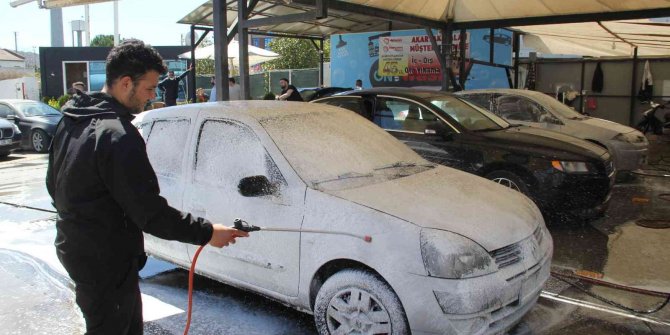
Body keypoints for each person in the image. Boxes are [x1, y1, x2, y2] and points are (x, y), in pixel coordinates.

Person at [46, 39, 249, 335]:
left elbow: (53, 186)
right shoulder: (118, 136)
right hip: (105, 261)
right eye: (150, 89)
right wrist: (207, 233)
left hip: (76, 249)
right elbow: (150, 213)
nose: (152, 98)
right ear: (126, 83)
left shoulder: (72, 119)